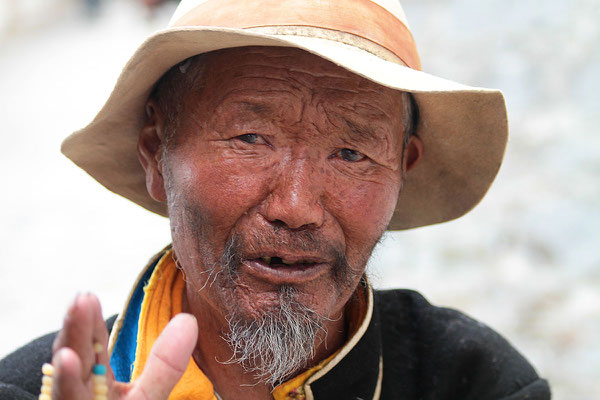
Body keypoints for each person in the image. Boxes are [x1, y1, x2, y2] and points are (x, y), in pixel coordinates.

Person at [0, 0, 551, 399]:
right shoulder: (26, 391)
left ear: (402, 170)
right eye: (250, 139)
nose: (296, 206)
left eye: (352, 153)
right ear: (155, 154)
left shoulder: (475, 382)